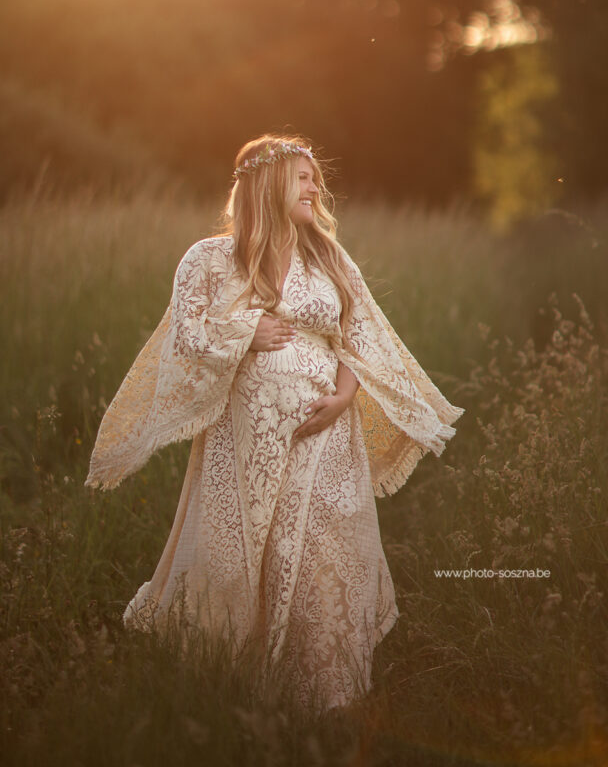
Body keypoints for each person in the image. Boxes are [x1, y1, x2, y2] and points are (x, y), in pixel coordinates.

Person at [85, 133, 465, 713]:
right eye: (304, 176)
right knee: (242, 557)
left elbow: (360, 339)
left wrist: (342, 400)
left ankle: (324, 699)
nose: (317, 187)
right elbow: (186, 337)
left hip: (326, 437)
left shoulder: (330, 260)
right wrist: (246, 335)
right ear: (266, 183)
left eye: (317, 178)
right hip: (243, 443)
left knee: (323, 551)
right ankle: (236, 694)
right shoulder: (208, 260)